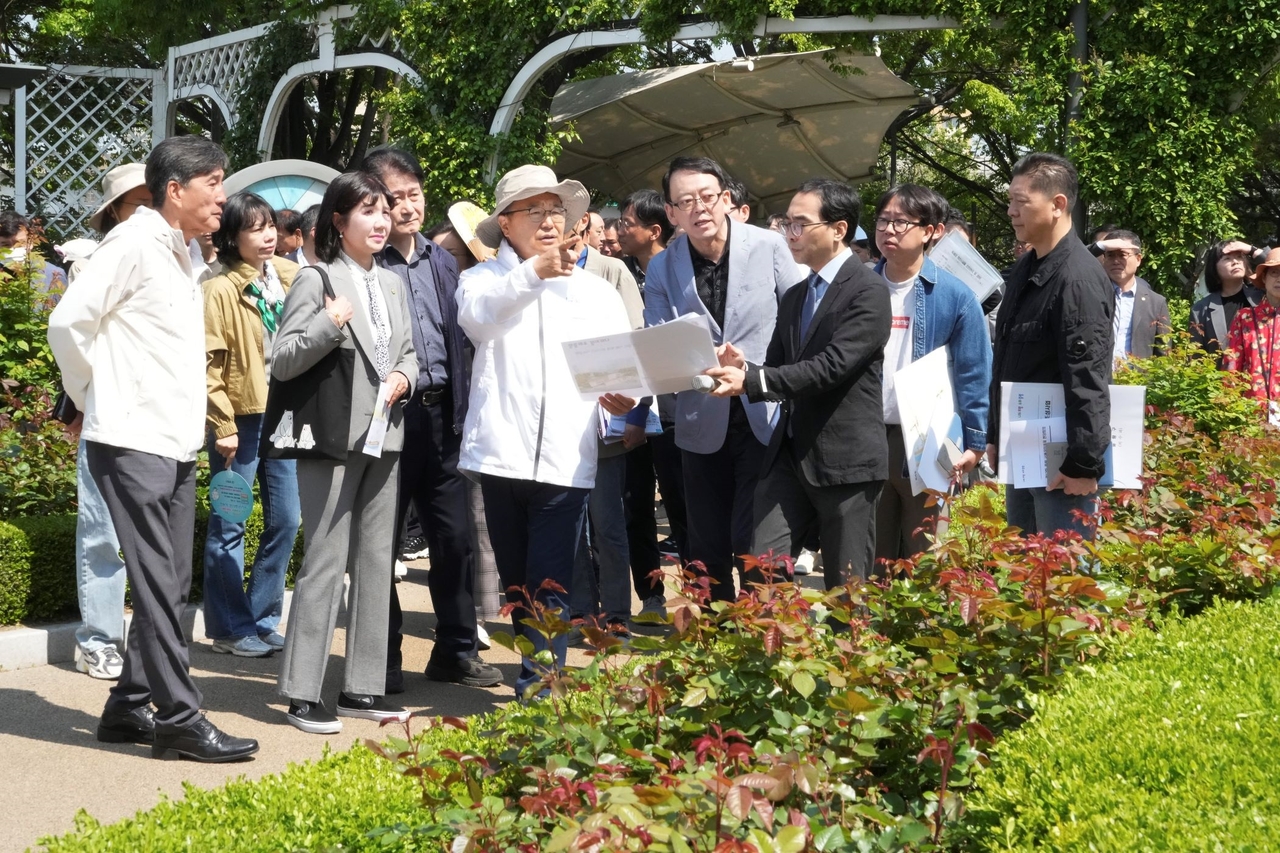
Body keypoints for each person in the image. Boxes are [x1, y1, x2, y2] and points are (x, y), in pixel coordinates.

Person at [48, 136, 259, 761]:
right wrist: (91, 395)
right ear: (175, 189)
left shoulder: (182, 252)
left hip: (173, 440)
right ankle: (179, 719)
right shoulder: (133, 243)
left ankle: (127, 707)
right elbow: (67, 323)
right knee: (159, 584)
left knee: (171, 579)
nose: (222, 197)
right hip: (132, 438)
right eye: (212, 183)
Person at [457, 164, 634, 699]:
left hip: (566, 453)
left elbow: (622, 365)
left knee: (551, 578)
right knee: (517, 581)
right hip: (501, 453)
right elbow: (480, 318)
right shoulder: (482, 280)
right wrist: (534, 273)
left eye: (556, 210)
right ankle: (536, 670)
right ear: (505, 224)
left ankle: (539, 686)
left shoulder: (594, 292)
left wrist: (627, 398)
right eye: (534, 210)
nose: (550, 220)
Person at [273, 171, 418, 733]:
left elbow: (408, 353)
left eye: (385, 210)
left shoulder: (394, 284)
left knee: (377, 562)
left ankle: (362, 686)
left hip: (387, 434)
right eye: (368, 211)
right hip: (331, 438)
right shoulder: (317, 279)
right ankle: (302, 691)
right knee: (325, 560)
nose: (382, 221)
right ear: (339, 220)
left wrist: (404, 376)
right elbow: (284, 360)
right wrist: (329, 325)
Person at [362, 147, 501, 693]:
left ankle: (455, 651)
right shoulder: (365, 266)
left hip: (444, 418)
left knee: (455, 539)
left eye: (413, 194)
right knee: (381, 544)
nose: (406, 206)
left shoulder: (444, 262)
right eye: (393, 198)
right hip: (388, 420)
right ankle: (383, 658)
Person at [704, 179, 891, 586]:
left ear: (838, 229)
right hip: (788, 454)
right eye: (787, 223)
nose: (789, 233)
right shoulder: (796, 295)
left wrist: (752, 379)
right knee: (762, 571)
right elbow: (778, 367)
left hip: (846, 461)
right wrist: (745, 365)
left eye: (800, 224)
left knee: (848, 588)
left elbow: (832, 366)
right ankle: (769, 633)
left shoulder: (869, 291)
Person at [641, 156, 797, 601]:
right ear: (671, 212)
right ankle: (714, 635)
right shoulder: (662, 267)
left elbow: (799, 322)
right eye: (685, 201)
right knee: (705, 546)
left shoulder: (770, 246)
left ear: (726, 199)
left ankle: (765, 631)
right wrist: (705, 359)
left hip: (764, 414)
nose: (699, 208)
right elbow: (659, 340)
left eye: (707, 197)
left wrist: (760, 373)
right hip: (700, 416)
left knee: (760, 545)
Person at [988, 153, 1113, 539]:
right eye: (1010, 201)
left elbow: (1088, 378)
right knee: (1021, 566)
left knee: (1062, 570)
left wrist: (1083, 463)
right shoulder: (1026, 269)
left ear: (1057, 204)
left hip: (1064, 466)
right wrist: (995, 433)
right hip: (1024, 451)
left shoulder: (1077, 280)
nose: (1011, 211)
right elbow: (1005, 360)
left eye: (1021, 202)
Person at [201, 192, 302, 658]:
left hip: (282, 415)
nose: (266, 235)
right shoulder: (220, 288)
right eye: (253, 228)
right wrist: (222, 423)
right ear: (231, 237)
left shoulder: (286, 277)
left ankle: (262, 619)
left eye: (269, 226)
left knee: (287, 519)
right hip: (239, 419)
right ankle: (229, 629)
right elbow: (209, 365)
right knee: (230, 522)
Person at [870, 185, 992, 562]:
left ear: (931, 231)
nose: (888, 230)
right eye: (883, 221)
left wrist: (974, 442)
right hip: (866, 435)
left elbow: (974, 373)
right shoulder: (859, 287)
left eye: (901, 222)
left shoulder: (956, 296)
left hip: (928, 441)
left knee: (924, 553)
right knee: (871, 556)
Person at [65, 162, 150, 680]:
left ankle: (147, 645)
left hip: (159, 421)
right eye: (136, 202)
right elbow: (71, 334)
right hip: (107, 415)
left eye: (153, 200)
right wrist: (86, 396)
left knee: (152, 540)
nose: (147, 211)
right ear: (114, 212)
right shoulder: (94, 263)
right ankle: (98, 639)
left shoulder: (180, 262)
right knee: (102, 532)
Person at [562, 207, 645, 637]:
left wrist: (634, 414)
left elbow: (636, 337)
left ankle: (616, 613)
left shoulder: (612, 270)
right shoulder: (537, 272)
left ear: (582, 223)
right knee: (572, 525)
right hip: (561, 420)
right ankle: (580, 607)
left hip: (606, 414)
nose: (553, 225)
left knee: (609, 523)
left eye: (563, 216)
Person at [615, 189, 685, 620]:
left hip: (673, 409)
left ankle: (701, 600)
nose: (618, 231)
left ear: (654, 230)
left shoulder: (679, 275)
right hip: (632, 407)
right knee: (635, 503)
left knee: (682, 506)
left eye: (627, 223)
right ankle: (651, 595)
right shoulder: (620, 274)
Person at [1223, 248, 1280, 425]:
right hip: (1251, 413)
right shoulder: (1245, 317)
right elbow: (1232, 365)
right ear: (1264, 278)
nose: (1279, 279)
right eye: (1274, 273)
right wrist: (1229, 407)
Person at [1094, 230, 1170, 361]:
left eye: (1122, 255)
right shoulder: (1093, 294)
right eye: (1110, 255)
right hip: (1099, 373)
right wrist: (1099, 246)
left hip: (1137, 373)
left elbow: (1163, 354)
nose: (1116, 261)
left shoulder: (1156, 303)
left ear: (1138, 259)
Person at [1190, 239, 1264, 363]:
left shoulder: (1263, 294)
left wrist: (1252, 250)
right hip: (1222, 374)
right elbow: (1195, 359)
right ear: (1214, 268)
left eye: (1239, 257)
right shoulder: (1201, 310)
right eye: (1227, 259)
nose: (1235, 262)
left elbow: (1276, 269)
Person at [0, 210, 67, 300]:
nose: (13, 249)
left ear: (31, 242)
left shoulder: (54, 275)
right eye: (5, 245)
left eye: (20, 243)